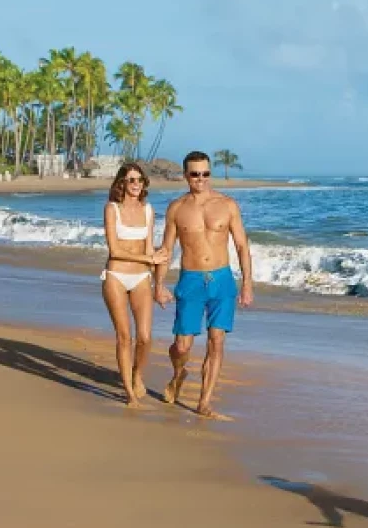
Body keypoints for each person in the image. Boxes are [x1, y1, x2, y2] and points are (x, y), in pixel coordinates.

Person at [160, 150, 254, 418]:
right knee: (182, 346)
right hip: (191, 279)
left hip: (222, 280)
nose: (200, 179)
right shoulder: (177, 208)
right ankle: (178, 374)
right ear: (185, 175)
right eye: (195, 174)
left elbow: (241, 246)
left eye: (205, 174)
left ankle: (204, 402)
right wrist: (158, 284)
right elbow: (166, 249)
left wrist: (247, 283)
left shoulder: (228, 205)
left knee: (217, 341)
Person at [98, 161, 168, 405]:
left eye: (140, 180)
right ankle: (129, 393)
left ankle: (137, 375)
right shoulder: (112, 209)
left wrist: (159, 282)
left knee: (145, 337)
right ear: (122, 183)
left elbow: (150, 248)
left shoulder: (148, 210)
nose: (136, 184)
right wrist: (148, 257)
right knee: (124, 336)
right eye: (131, 180)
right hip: (116, 276)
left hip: (141, 277)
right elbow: (115, 251)